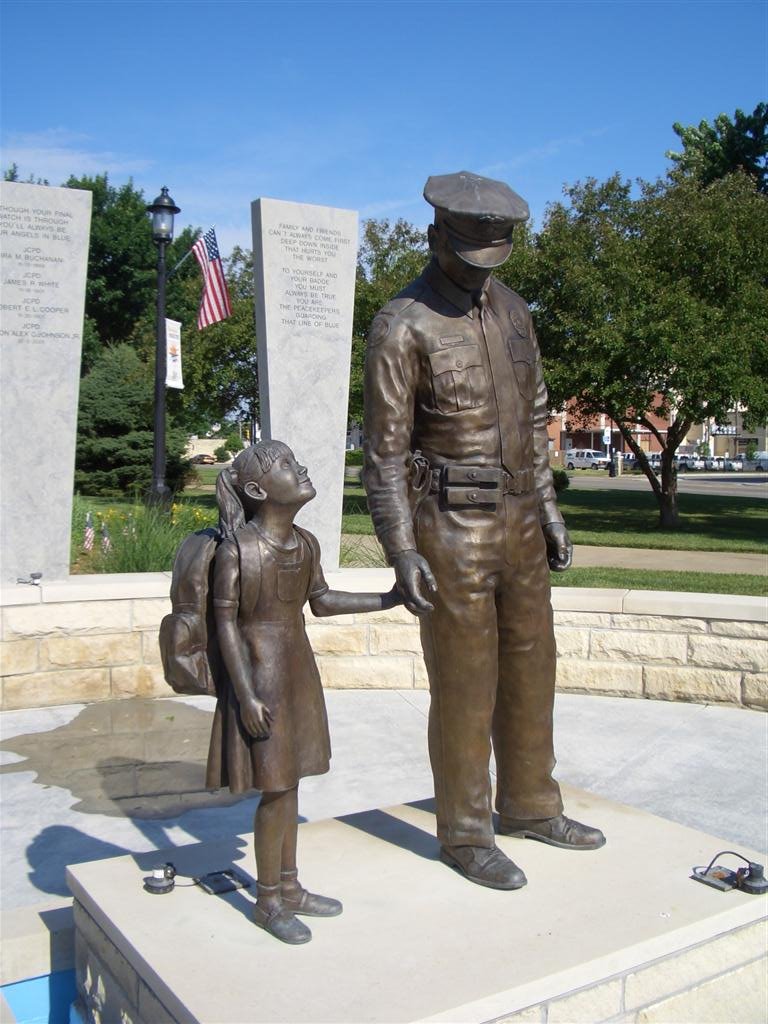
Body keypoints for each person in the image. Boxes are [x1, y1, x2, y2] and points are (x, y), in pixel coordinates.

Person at [363, 171, 605, 891]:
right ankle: (465, 832)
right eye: (471, 260)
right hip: (451, 528)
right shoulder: (400, 324)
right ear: (437, 238)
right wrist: (402, 548)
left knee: (533, 673)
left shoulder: (515, 313)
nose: (481, 276)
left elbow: (534, 417)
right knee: (466, 687)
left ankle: (531, 805)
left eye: (494, 261)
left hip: (523, 523)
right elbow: (384, 453)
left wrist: (551, 511)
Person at [206, 440, 401, 943]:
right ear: (256, 490)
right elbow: (225, 625)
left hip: (297, 672)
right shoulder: (238, 550)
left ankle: (289, 888)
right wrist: (245, 694)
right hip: (261, 678)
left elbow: (322, 600)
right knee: (275, 788)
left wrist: (390, 598)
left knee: (292, 782)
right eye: (288, 466)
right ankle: (268, 900)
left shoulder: (305, 542)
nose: (302, 468)